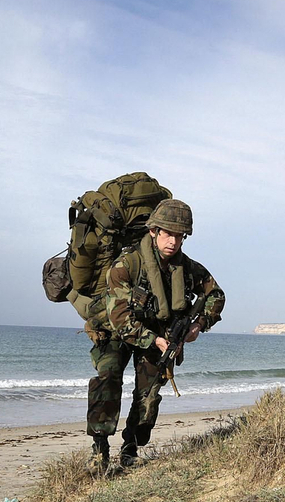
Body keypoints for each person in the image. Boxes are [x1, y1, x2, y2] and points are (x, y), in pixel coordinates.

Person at [86, 199, 225, 470]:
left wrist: (200, 324)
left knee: (149, 392)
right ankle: (99, 447)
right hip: (118, 331)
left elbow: (216, 295)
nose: (173, 241)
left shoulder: (187, 269)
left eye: (179, 235)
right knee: (108, 377)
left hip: (158, 334)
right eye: (167, 233)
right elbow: (120, 319)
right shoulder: (126, 265)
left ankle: (130, 447)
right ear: (153, 231)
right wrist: (154, 340)